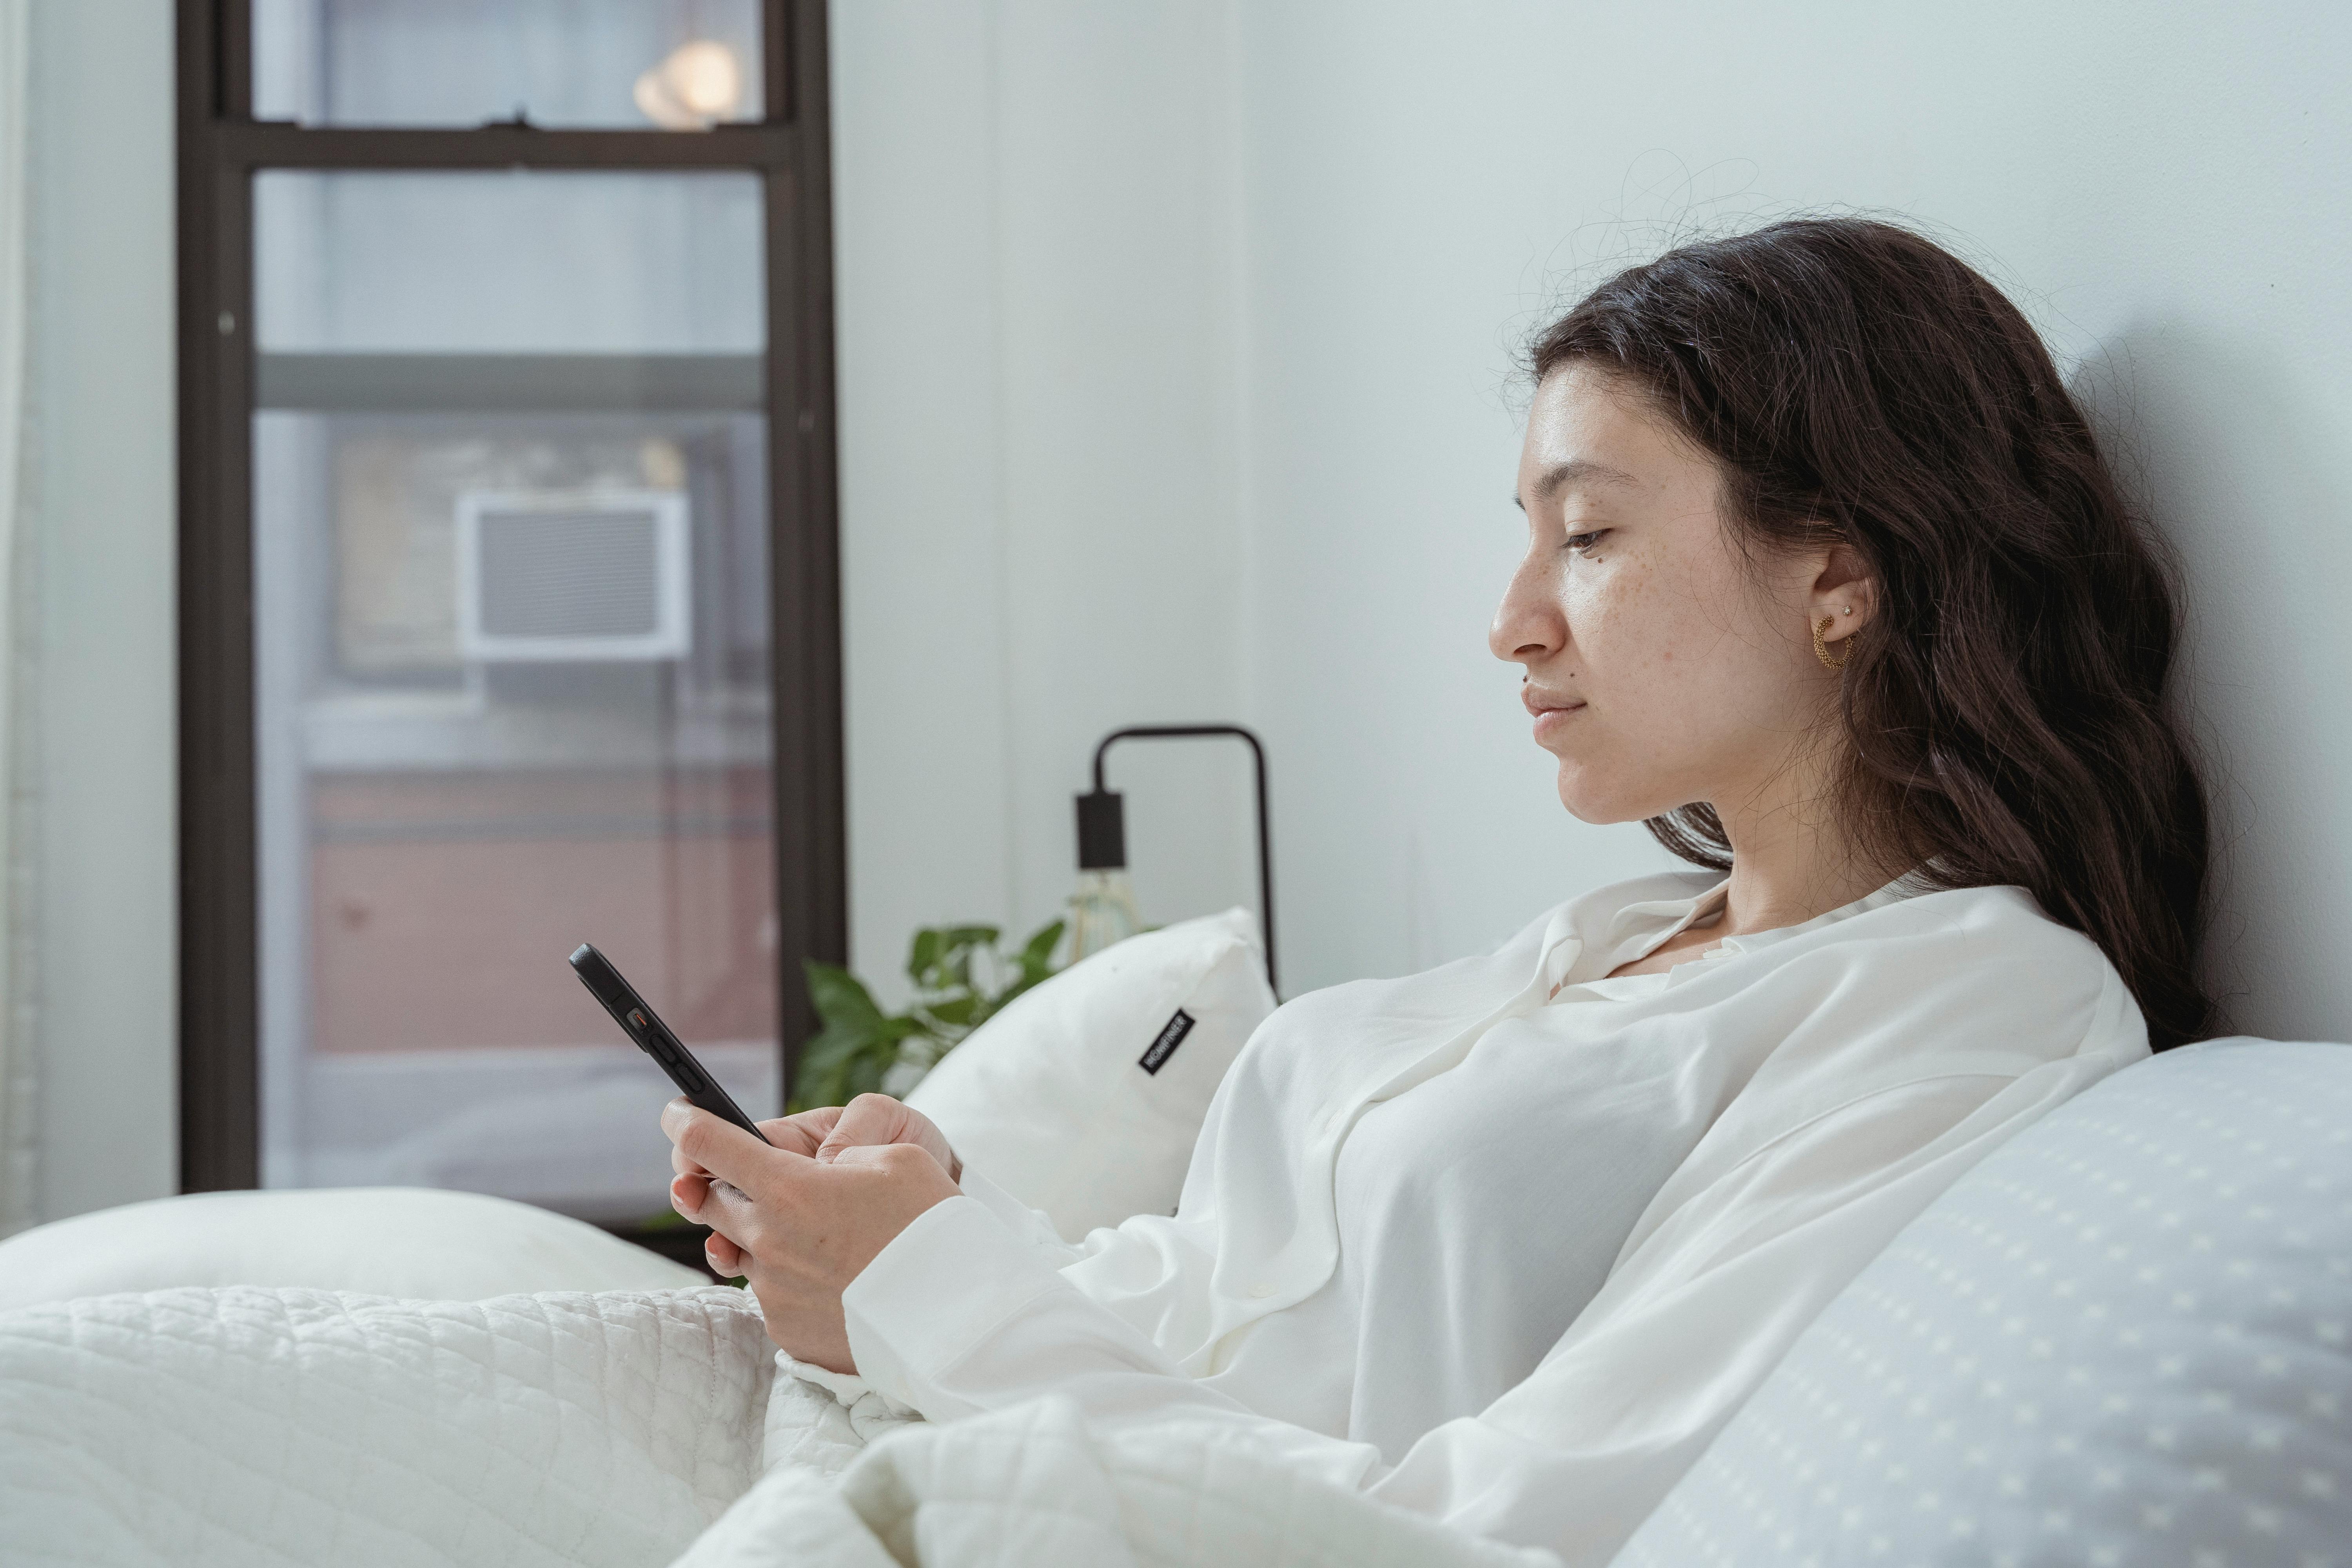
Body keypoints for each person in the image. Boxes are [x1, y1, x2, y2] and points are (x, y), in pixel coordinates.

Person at [663, 217, 2211, 1566]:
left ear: (1840, 574)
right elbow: (1229, 1311)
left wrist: (936, 1295)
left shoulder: (1970, 1004)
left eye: (1589, 533)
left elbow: (1477, 1527)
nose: (1512, 621)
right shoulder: (1613, 941)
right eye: (1528, 537)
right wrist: (922, 1225)